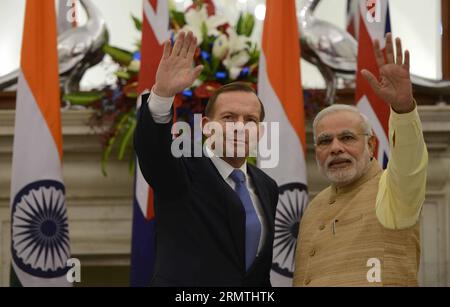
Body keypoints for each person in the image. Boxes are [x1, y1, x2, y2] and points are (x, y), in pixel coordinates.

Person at [134, 31, 279, 287]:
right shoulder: (181, 169)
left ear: (261, 132)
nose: (239, 127)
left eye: (250, 121)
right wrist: (162, 95)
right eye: (228, 118)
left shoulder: (267, 186)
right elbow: (153, 151)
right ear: (205, 126)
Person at [293, 34, 428, 286]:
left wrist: (403, 108)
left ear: (371, 144)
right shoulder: (315, 206)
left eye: (347, 137)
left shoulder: (393, 191)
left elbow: (410, 165)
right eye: (325, 141)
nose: (335, 148)